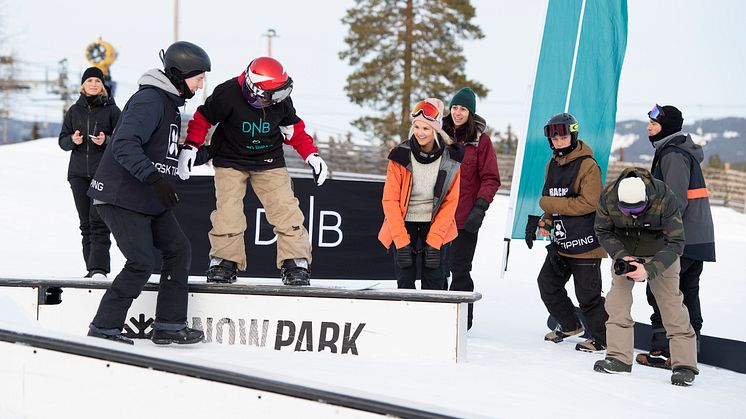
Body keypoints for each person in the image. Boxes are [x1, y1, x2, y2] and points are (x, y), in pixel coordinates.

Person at [86, 41, 211, 345]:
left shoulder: (169, 104)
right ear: (179, 74)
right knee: (141, 261)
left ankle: (169, 324)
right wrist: (154, 178)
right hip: (120, 196)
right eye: (199, 77)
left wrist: (207, 152)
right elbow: (124, 144)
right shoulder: (150, 100)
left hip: (147, 198)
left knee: (178, 250)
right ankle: (103, 328)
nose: (202, 83)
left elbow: (164, 151)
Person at [179, 56, 327, 286]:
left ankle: (295, 262)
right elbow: (202, 119)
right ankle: (224, 261)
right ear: (253, 90)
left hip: (269, 160)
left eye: (280, 94)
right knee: (228, 212)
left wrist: (312, 155)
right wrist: (191, 146)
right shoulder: (227, 94)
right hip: (229, 159)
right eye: (272, 96)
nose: (276, 101)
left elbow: (294, 130)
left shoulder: (281, 101)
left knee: (286, 209)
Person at [593, 167, 698, 386]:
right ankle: (618, 358)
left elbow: (677, 241)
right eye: (627, 210)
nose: (633, 215)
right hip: (626, 252)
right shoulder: (609, 195)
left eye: (639, 209)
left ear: (647, 199)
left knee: (671, 306)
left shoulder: (664, 196)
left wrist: (649, 270)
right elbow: (603, 231)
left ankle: (684, 365)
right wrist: (623, 256)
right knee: (617, 303)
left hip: (662, 253)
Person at [636, 104, 716, 367]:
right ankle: (689, 350)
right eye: (649, 122)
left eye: (654, 124)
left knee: (662, 291)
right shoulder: (679, 151)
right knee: (686, 292)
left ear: (667, 127)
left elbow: (675, 200)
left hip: (682, 237)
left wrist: (648, 223)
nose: (649, 127)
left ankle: (664, 350)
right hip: (697, 236)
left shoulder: (672, 154)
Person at [534, 113, 608, 352]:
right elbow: (553, 198)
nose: (558, 142)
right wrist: (546, 220)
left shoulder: (588, 165)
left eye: (563, 136)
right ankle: (569, 324)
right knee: (547, 283)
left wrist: (548, 205)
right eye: (554, 138)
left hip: (586, 243)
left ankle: (602, 337)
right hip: (562, 240)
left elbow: (589, 203)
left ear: (573, 135)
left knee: (588, 296)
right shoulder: (552, 164)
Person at [378, 98, 463, 290]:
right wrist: (400, 241)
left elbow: (451, 201)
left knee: (435, 281)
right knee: (405, 280)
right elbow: (390, 199)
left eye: (426, 128)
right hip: (403, 222)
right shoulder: (400, 156)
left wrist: (434, 242)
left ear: (436, 130)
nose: (420, 133)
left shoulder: (450, 159)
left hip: (435, 223)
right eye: (416, 127)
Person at [441, 87, 500, 330]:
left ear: (470, 112)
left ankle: (461, 323)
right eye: (454, 107)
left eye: (462, 108)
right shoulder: (440, 135)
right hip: (439, 216)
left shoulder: (481, 141)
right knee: (436, 269)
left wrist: (480, 207)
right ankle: (439, 317)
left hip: (466, 218)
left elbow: (491, 178)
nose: (457, 112)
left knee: (460, 269)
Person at [58, 66, 121, 279]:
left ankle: (99, 269)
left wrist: (106, 141)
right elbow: (62, 141)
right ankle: (91, 270)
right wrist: (72, 141)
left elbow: (122, 140)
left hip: (103, 174)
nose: (93, 84)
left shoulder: (112, 110)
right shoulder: (74, 111)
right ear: (83, 85)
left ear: (103, 85)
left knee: (99, 222)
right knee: (85, 224)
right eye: (89, 81)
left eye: (97, 81)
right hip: (77, 174)